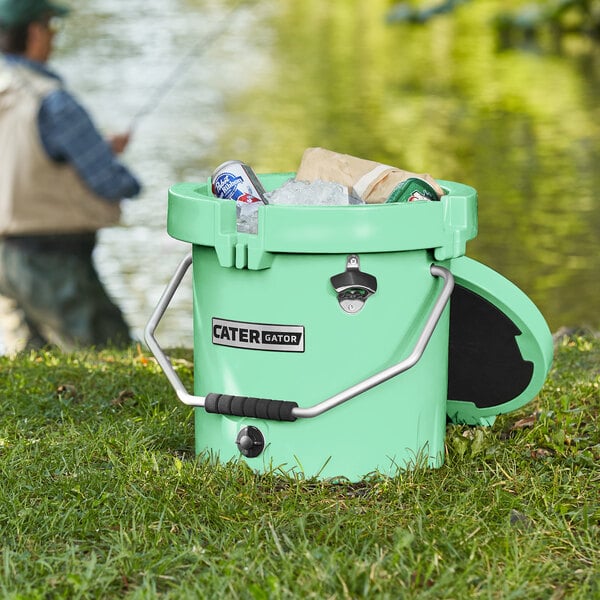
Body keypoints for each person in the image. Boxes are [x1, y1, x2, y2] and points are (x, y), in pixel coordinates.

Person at [0, 0, 142, 354]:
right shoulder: (53, 101)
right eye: (51, 27)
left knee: (30, 364)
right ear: (34, 32)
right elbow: (114, 183)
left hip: (4, 261)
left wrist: (94, 148)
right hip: (51, 261)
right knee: (112, 355)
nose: (53, 37)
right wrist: (102, 156)